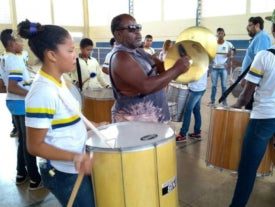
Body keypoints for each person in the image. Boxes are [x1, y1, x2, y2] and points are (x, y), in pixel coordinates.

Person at [229, 5, 275, 207]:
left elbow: (247, 94)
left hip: (263, 119)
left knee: (247, 168)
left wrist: (236, 106)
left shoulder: (264, 55)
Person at [18, 20, 95, 206]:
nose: (75, 55)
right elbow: (34, 146)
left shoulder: (59, 81)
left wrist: (96, 127)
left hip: (74, 167)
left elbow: (69, 118)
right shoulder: (43, 92)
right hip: (63, 172)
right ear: (52, 55)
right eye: (70, 50)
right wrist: (75, 157)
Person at [109, 14, 190, 123]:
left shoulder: (138, 51)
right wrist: (176, 69)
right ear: (118, 34)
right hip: (135, 127)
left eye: (138, 27)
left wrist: (176, 59)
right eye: (131, 29)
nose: (137, 32)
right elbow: (146, 86)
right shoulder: (120, 58)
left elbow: (162, 67)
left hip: (153, 120)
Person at [0, 29, 42, 189]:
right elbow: (12, 87)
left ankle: (21, 173)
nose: (22, 44)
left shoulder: (5, 58)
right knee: (29, 143)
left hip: (13, 104)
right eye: (19, 41)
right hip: (21, 104)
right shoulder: (15, 61)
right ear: (11, 44)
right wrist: (32, 93)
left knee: (23, 141)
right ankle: (34, 178)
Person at [176, 70, 208, 142]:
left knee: (188, 110)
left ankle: (182, 134)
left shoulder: (199, 61)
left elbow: (193, 76)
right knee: (196, 110)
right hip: (200, 87)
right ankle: (197, 132)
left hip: (196, 89)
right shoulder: (203, 59)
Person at [209, 28, 234, 106]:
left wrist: (231, 53)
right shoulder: (213, 44)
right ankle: (212, 101)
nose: (220, 35)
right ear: (217, 34)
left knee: (224, 86)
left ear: (224, 34)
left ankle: (224, 101)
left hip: (223, 68)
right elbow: (209, 53)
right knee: (213, 86)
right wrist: (211, 60)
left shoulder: (228, 44)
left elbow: (234, 50)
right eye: (219, 33)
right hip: (214, 68)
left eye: (222, 33)